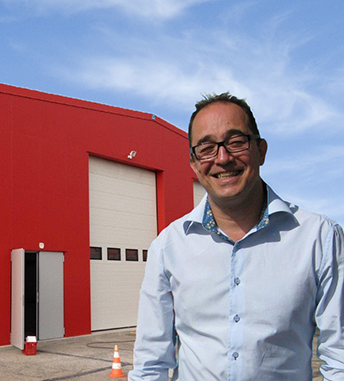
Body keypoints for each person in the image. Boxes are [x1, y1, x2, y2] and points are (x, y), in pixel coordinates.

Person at [129, 93, 344, 380]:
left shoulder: (320, 238)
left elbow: (340, 357)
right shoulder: (168, 246)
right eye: (207, 148)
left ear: (261, 150)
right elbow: (150, 363)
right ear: (194, 163)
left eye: (236, 142)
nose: (222, 158)